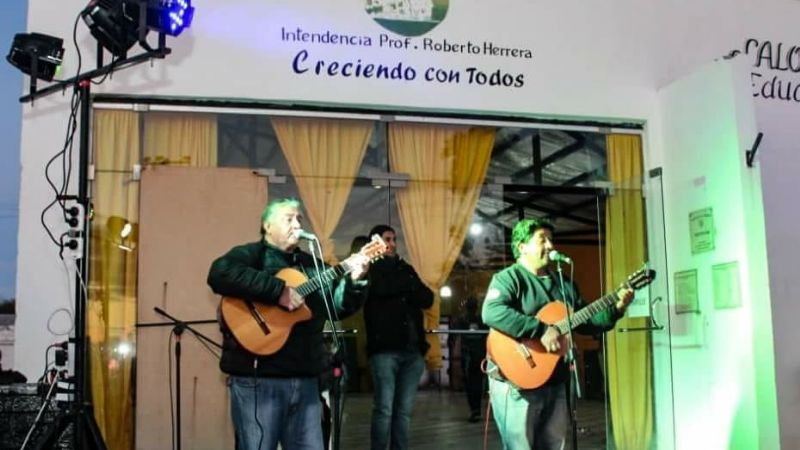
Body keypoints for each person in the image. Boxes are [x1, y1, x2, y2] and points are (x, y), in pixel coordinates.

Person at [207, 198, 370, 450]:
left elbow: (336, 306)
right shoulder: (252, 255)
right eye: (289, 218)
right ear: (267, 225)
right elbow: (219, 272)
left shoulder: (312, 265)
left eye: (299, 219)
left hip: (305, 378)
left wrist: (355, 281)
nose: (297, 223)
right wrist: (277, 291)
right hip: (258, 379)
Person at [481, 218, 633, 450]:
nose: (551, 245)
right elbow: (491, 312)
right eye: (542, 239)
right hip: (516, 382)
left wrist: (618, 307)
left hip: (555, 379)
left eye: (551, 239)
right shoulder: (509, 279)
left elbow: (588, 321)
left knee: (555, 445)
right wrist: (542, 330)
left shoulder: (564, 283)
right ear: (522, 247)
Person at [362, 224, 433, 450]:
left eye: (394, 239)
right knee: (384, 408)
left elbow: (428, 298)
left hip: (412, 351)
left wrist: (406, 286)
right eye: (387, 239)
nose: (392, 244)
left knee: (403, 411)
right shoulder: (369, 269)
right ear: (374, 243)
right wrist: (408, 286)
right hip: (384, 350)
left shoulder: (406, 268)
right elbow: (380, 289)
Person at [449, 296, 488, 423]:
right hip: (477, 355)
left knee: (471, 383)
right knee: (476, 383)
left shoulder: (462, 320)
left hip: (470, 355)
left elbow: (452, 337)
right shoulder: (480, 319)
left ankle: (475, 410)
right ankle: (475, 409)